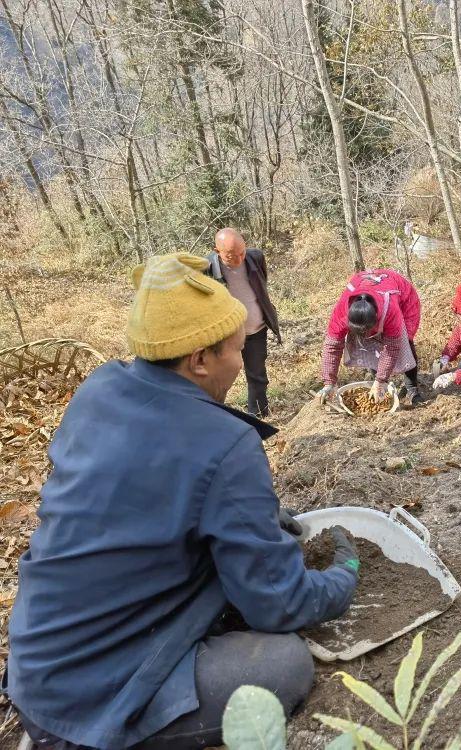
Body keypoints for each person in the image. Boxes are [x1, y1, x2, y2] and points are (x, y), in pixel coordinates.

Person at [3, 253, 359, 749]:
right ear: (199, 360)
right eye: (237, 349)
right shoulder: (226, 444)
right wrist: (343, 578)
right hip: (93, 690)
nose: (243, 361)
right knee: (284, 665)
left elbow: (146, 494)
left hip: (38, 664)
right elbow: (278, 606)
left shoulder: (98, 390)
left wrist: (255, 515)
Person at [206, 228, 281, 417]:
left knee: (257, 376)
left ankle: (259, 416)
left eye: (242, 252)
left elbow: (261, 286)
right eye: (232, 256)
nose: (239, 260)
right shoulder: (206, 268)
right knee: (218, 379)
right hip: (226, 335)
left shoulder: (256, 258)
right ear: (217, 251)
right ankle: (216, 418)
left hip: (256, 329)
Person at [318, 269, 422, 404]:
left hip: (403, 298)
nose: (366, 335)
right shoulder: (341, 312)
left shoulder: (390, 309)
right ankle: (378, 381)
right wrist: (329, 383)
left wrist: (380, 381)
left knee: (404, 343)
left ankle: (411, 388)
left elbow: (392, 348)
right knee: (371, 345)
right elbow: (332, 346)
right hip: (372, 300)